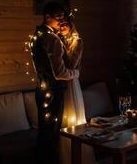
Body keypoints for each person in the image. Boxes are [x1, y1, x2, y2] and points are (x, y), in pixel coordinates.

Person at [30, 2, 79, 164]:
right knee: (50, 135)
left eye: (63, 16)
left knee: (45, 133)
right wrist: (76, 73)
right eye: (58, 17)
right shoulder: (52, 38)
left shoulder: (37, 34)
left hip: (42, 90)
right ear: (47, 17)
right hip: (53, 91)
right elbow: (60, 73)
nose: (61, 20)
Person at [58, 15, 96, 164]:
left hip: (71, 83)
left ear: (71, 25)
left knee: (73, 117)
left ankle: (80, 157)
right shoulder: (58, 40)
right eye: (60, 24)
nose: (62, 27)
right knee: (63, 119)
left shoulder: (77, 41)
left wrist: (62, 46)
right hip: (61, 83)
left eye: (65, 24)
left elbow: (72, 64)